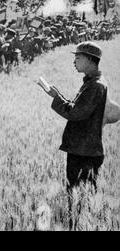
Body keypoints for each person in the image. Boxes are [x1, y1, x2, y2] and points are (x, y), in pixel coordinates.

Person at [40, 42, 108, 230]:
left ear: (91, 60)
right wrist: (59, 95)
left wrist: (56, 98)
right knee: (81, 199)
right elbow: (78, 108)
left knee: (79, 200)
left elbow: (76, 113)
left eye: (78, 58)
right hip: (85, 148)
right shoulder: (92, 83)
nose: (74, 62)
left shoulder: (95, 86)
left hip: (84, 151)